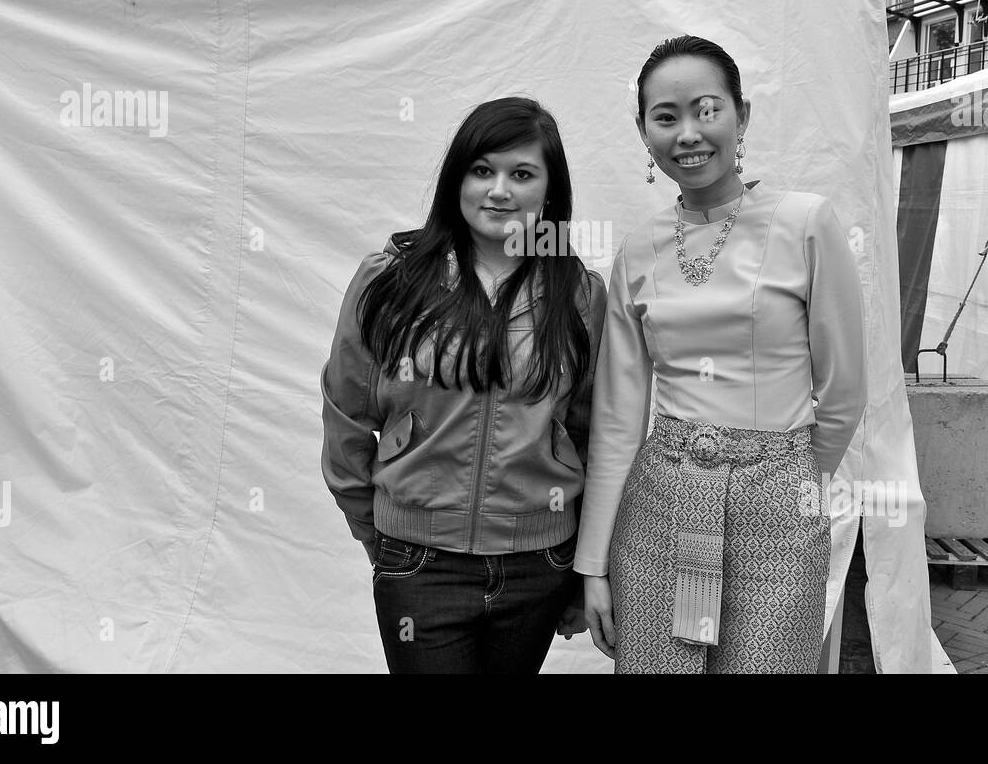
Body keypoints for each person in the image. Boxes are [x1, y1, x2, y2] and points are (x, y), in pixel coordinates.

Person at [577, 35, 867, 673]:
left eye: (706, 109)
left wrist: (788, 478)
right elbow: (620, 419)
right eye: (665, 117)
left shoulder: (806, 223)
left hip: (780, 505)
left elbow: (843, 391)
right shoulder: (637, 250)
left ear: (742, 115)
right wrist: (593, 564)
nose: (688, 133)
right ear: (643, 131)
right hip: (662, 502)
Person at [320, 96, 607, 674]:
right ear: (457, 180)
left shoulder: (580, 294)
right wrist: (376, 530)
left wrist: (583, 566)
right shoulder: (392, 280)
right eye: (482, 170)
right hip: (421, 562)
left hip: (538, 561)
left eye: (521, 174)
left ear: (549, 191)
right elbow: (347, 411)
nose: (498, 190)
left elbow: (591, 430)